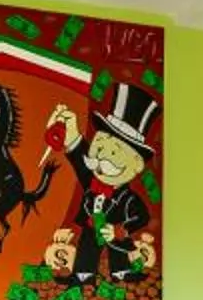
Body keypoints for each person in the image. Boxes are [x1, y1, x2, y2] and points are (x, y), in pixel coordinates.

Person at [42, 80, 158, 288]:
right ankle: (83, 275)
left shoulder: (127, 198)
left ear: (136, 166)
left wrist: (119, 230)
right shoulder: (92, 178)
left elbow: (142, 216)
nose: (102, 159)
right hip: (90, 226)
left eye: (114, 153)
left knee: (117, 249)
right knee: (87, 244)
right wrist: (71, 132)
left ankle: (121, 272)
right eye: (99, 147)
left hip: (114, 229)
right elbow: (80, 160)